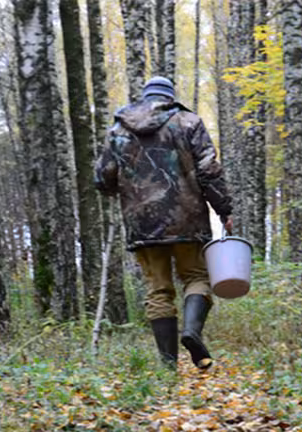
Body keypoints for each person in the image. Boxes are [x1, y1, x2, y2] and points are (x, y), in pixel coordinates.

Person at [94, 76, 233, 370]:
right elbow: (209, 169)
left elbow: (103, 177)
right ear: (170, 96)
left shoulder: (118, 130)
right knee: (196, 277)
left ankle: (168, 369)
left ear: (146, 96)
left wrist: (123, 187)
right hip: (188, 220)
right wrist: (224, 209)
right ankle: (192, 332)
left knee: (158, 290)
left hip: (142, 223)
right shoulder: (188, 122)